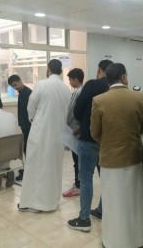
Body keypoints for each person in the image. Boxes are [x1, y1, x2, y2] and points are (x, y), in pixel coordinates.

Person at [75, 63, 143, 247]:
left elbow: (94, 132)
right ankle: (137, 239)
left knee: (113, 200)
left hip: (110, 159)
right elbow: (141, 128)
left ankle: (114, 240)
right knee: (134, 199)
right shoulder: (139, 97)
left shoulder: (99, 100)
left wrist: (109, 142)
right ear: (123, 77)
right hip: (134, 157)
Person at [18, 59, 71, 212]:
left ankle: (35, 203)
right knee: (54, 168)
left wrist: (34, 119)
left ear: (48, 70)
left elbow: (31, 107)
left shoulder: (42, 84)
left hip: (40, 133)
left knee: (36, 167)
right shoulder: (66, 89)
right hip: (58, 135)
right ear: (60, 71)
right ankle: (52, 201)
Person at [68, 59, 112, 226]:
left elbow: (78, 109)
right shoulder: (115, 88)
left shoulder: (92, 84)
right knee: (105, 176)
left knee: (86, 178)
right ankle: (101, 210)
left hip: (88, 137)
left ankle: (84, 218)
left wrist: (82, 123)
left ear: (100, 70)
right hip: (107, 139)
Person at [63, 68, 85, 197]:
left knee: (77, 160)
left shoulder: (79, 92)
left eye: (70, 80)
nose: (70, 82)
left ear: (76, 79)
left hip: (76, 130)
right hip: (76, 130)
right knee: (77, 159)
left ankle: (78, 185)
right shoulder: (78, 91)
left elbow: (73, 113)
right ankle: (78, 184)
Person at [7, 74, 32, 182]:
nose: (15, 88)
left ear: (20, 80)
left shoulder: (28, 93)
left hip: (30, 127)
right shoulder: (22, 93)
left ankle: (29, 172)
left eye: (15, 85)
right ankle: (27, 170)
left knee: (29, 150)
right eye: (13, 86)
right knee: (26, 149)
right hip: (24, 127)